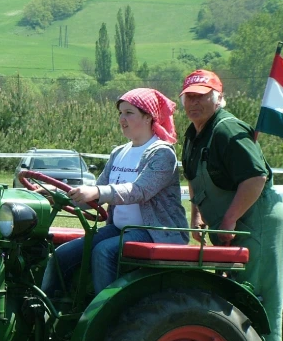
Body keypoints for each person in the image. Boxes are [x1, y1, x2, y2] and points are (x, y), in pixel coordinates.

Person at [180, 69, 283, 341]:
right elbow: (195, 177)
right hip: (230, 223)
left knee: (256, 298)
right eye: (190, 97)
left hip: (258, 221)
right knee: (232, 294)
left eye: (203, 96)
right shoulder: (194, 133)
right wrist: (197, 214)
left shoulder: (228, 130)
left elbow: (255, 178)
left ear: (218, 97)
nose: (195, 102)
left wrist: (228, 218)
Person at [41, 88, 188, 296]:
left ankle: (104, 318)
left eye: (129, 113)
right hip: (120, 229)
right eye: (120, 113)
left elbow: (139, 191)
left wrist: (96, 192)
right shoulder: (119, 152)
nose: (122, 119)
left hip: (154, 231)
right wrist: (55, 192)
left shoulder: (162, 153)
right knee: (63, 254)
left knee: (104, 251)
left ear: (148, 117)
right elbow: (95, 196)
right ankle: (47, 310)